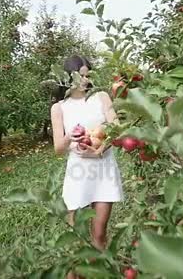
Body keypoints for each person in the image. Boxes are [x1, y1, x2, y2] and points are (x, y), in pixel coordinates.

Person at [50, 55, 124, 256]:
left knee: (99, 234)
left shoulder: (101, 97)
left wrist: (102, 148)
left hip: (104, 168)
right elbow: (58, 148)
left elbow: (117, 129)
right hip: (78, 172)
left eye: (87, 75)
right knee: (79, 239)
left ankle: (99, 271)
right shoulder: (59, 108)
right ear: (67, 78)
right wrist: (70, 135)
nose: (85, 80)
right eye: (80, 76)